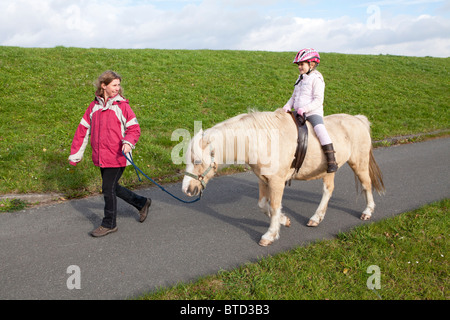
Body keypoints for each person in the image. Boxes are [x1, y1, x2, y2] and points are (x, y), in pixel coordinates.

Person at [69, 70, 152, 237]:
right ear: (103, 86)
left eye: (118, 85)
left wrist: (128, 143)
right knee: (113, 187)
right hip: (101, 156)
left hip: (117, 156)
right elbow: (82, 131)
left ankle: (109, 224)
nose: (117, 88)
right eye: (114, 85)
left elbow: (134, 129)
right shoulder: (93, 107)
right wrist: (76, 154)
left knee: (108, 188)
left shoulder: (122, 106)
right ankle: (142, 203)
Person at [282, 48, 338, 173]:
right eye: (299, 65)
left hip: (313, 112)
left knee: (320, 130)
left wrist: (305, 109)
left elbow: (318, 100)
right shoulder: (300, 79)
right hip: (299, 112)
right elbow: (294, 97)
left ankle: (331, 160)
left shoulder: (317, 79)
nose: (299, 67)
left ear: (311, 64)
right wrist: (287, 106)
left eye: (302, 64)